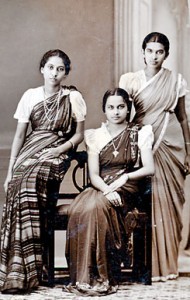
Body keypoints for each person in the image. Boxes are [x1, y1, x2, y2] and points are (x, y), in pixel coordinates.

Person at [0, 49, 86, 294]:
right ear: (42, 69)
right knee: (19, 183)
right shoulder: (30, 96)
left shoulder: (72, 97)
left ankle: (34, 268)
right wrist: (10, 170)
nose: (55, 73)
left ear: (66, 72)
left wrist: (60, 149)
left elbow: (79, 134)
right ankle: (18, 270)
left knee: (33, 180)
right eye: (50, 67)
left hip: (58, 151)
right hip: (30, 149)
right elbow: (19, 135)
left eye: (60, 69)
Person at [64, 87, 154, 296]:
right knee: (87, 207)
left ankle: (102, 275)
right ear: (104, 110)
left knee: (95, 206)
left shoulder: (140, 133)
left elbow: (150, 168)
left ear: (127, 108)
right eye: (111, 107)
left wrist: (125, 177)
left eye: (121, 107)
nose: (116, 112)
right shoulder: (95, 136)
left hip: (128, 188)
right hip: (102, 187)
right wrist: (106, 190)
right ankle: (85, 276)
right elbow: (94, 175)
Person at [119, 32, 190, 282]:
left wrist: (189, 150)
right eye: (150, 51)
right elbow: (124, 117)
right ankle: (144, 266)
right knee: (143, 204)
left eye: (159, 52)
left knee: (170, 204)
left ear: (166, 55)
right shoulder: (130, 80)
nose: (154, 56)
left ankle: (167, 265)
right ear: (143, 52)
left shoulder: (176, 81)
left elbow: (182, 118)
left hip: (171, 145)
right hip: (143, 143)